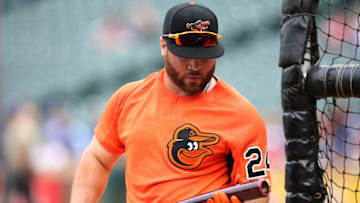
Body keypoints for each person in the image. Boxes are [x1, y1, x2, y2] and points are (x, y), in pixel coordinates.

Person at [70, 2, 270, 203]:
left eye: (204, 57)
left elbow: (258, 193)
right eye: (185, 56)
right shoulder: (128, 99)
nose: (194, 65)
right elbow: (97, 159)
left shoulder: (241, 115)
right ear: (163, 46)